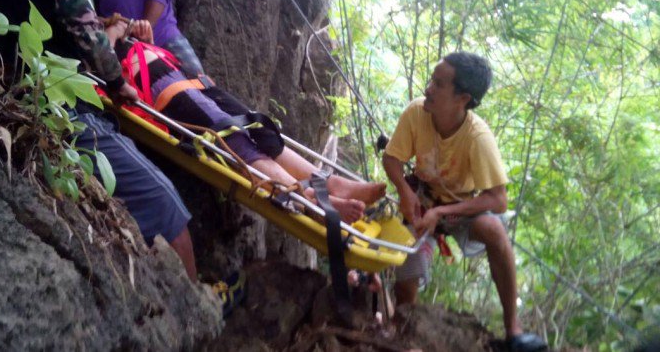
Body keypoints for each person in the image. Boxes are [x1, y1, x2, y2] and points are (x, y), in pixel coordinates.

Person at [0, 0, 199, 282]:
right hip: (66, 114)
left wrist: (109, 28)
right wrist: (121, 85)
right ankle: (199, 311)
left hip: (16, 107)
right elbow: (93, 45)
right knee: (165, 200)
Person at [103, 29, 385, 222]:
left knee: (254, 124)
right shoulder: (83, 22)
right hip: (154, 83)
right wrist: (115, 30)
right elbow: (98, 49)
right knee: (225, 131)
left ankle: (329, 182)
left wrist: (133, 31)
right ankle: (308, 198)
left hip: (175, 70)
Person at [382, 52, 547, 352]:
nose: (428, 88)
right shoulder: (416, 113)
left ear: (463, 98)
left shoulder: (477, 137)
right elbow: (391, 158)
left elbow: (497, 200)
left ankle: (514, 331)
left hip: (460, 208)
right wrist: (406, 194)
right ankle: (403, 331)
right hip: (422, 201)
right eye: (432, 79)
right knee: (408, 263)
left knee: (494, 230)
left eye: (439, 83)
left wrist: (444, 211)